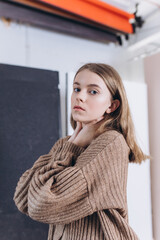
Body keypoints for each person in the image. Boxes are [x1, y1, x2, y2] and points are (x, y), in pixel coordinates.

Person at [14, 63, 148, 240]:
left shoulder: (110, 142)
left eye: (93, 91)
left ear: (112, 106)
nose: (80, 97)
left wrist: (71, 148)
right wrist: (72, 146)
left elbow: (42, 204)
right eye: (77, 89)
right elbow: (23, 199)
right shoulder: (67, 144)